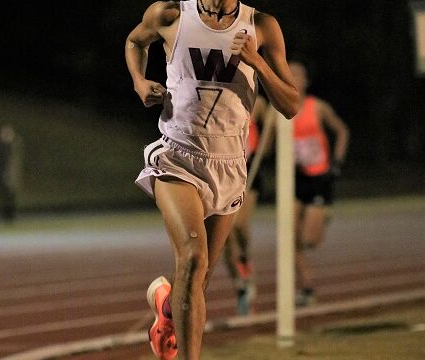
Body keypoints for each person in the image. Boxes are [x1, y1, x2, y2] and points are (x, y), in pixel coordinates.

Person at [125, 1, 299, 359]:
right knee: (193, 257)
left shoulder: (262, 25)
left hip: (229, 165)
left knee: (196, 282)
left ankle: (167, 307)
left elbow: (291, 104)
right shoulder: (170, 14)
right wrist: (139, 81)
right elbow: (135, 42)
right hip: (177, 157)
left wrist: (258, 62)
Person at [289, 61, 350, 307]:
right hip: (295, 180)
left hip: (320, 179)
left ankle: (323, 213)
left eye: (298, 75)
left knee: (309, 240)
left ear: (306, 81)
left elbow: (342, 131)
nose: (293, 78)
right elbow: (267, 143)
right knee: (288, 238)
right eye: (289, 73)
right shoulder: (279, 110)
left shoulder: (318, 107)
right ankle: (307, 288)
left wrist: (337, 163)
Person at [222, 94, 272, 315]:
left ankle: (245, 258)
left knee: (238, 225)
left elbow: (274, 125)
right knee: (223, 236)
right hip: (223, 169)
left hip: (249, 170)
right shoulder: (219, 96)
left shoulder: (258, 103)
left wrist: (264, 147)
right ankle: (240, 285)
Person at [0, 123, 22, 222]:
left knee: (10, 195)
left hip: (9, 176)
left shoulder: (13, 146)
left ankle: (9, 215)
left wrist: (10, 175)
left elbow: (13, 163)